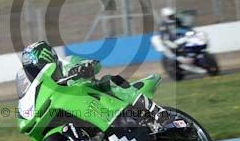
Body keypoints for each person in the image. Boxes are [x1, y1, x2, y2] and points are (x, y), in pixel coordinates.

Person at [19, 41, 169, 121]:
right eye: (31, 70)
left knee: (109, 80)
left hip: (97, 95)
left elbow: (95, 65)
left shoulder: (68, 62)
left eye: (36, 67)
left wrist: (84, 68)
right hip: (78, 108)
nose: (36, 72)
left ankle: (157, 112)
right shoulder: (42, 84)